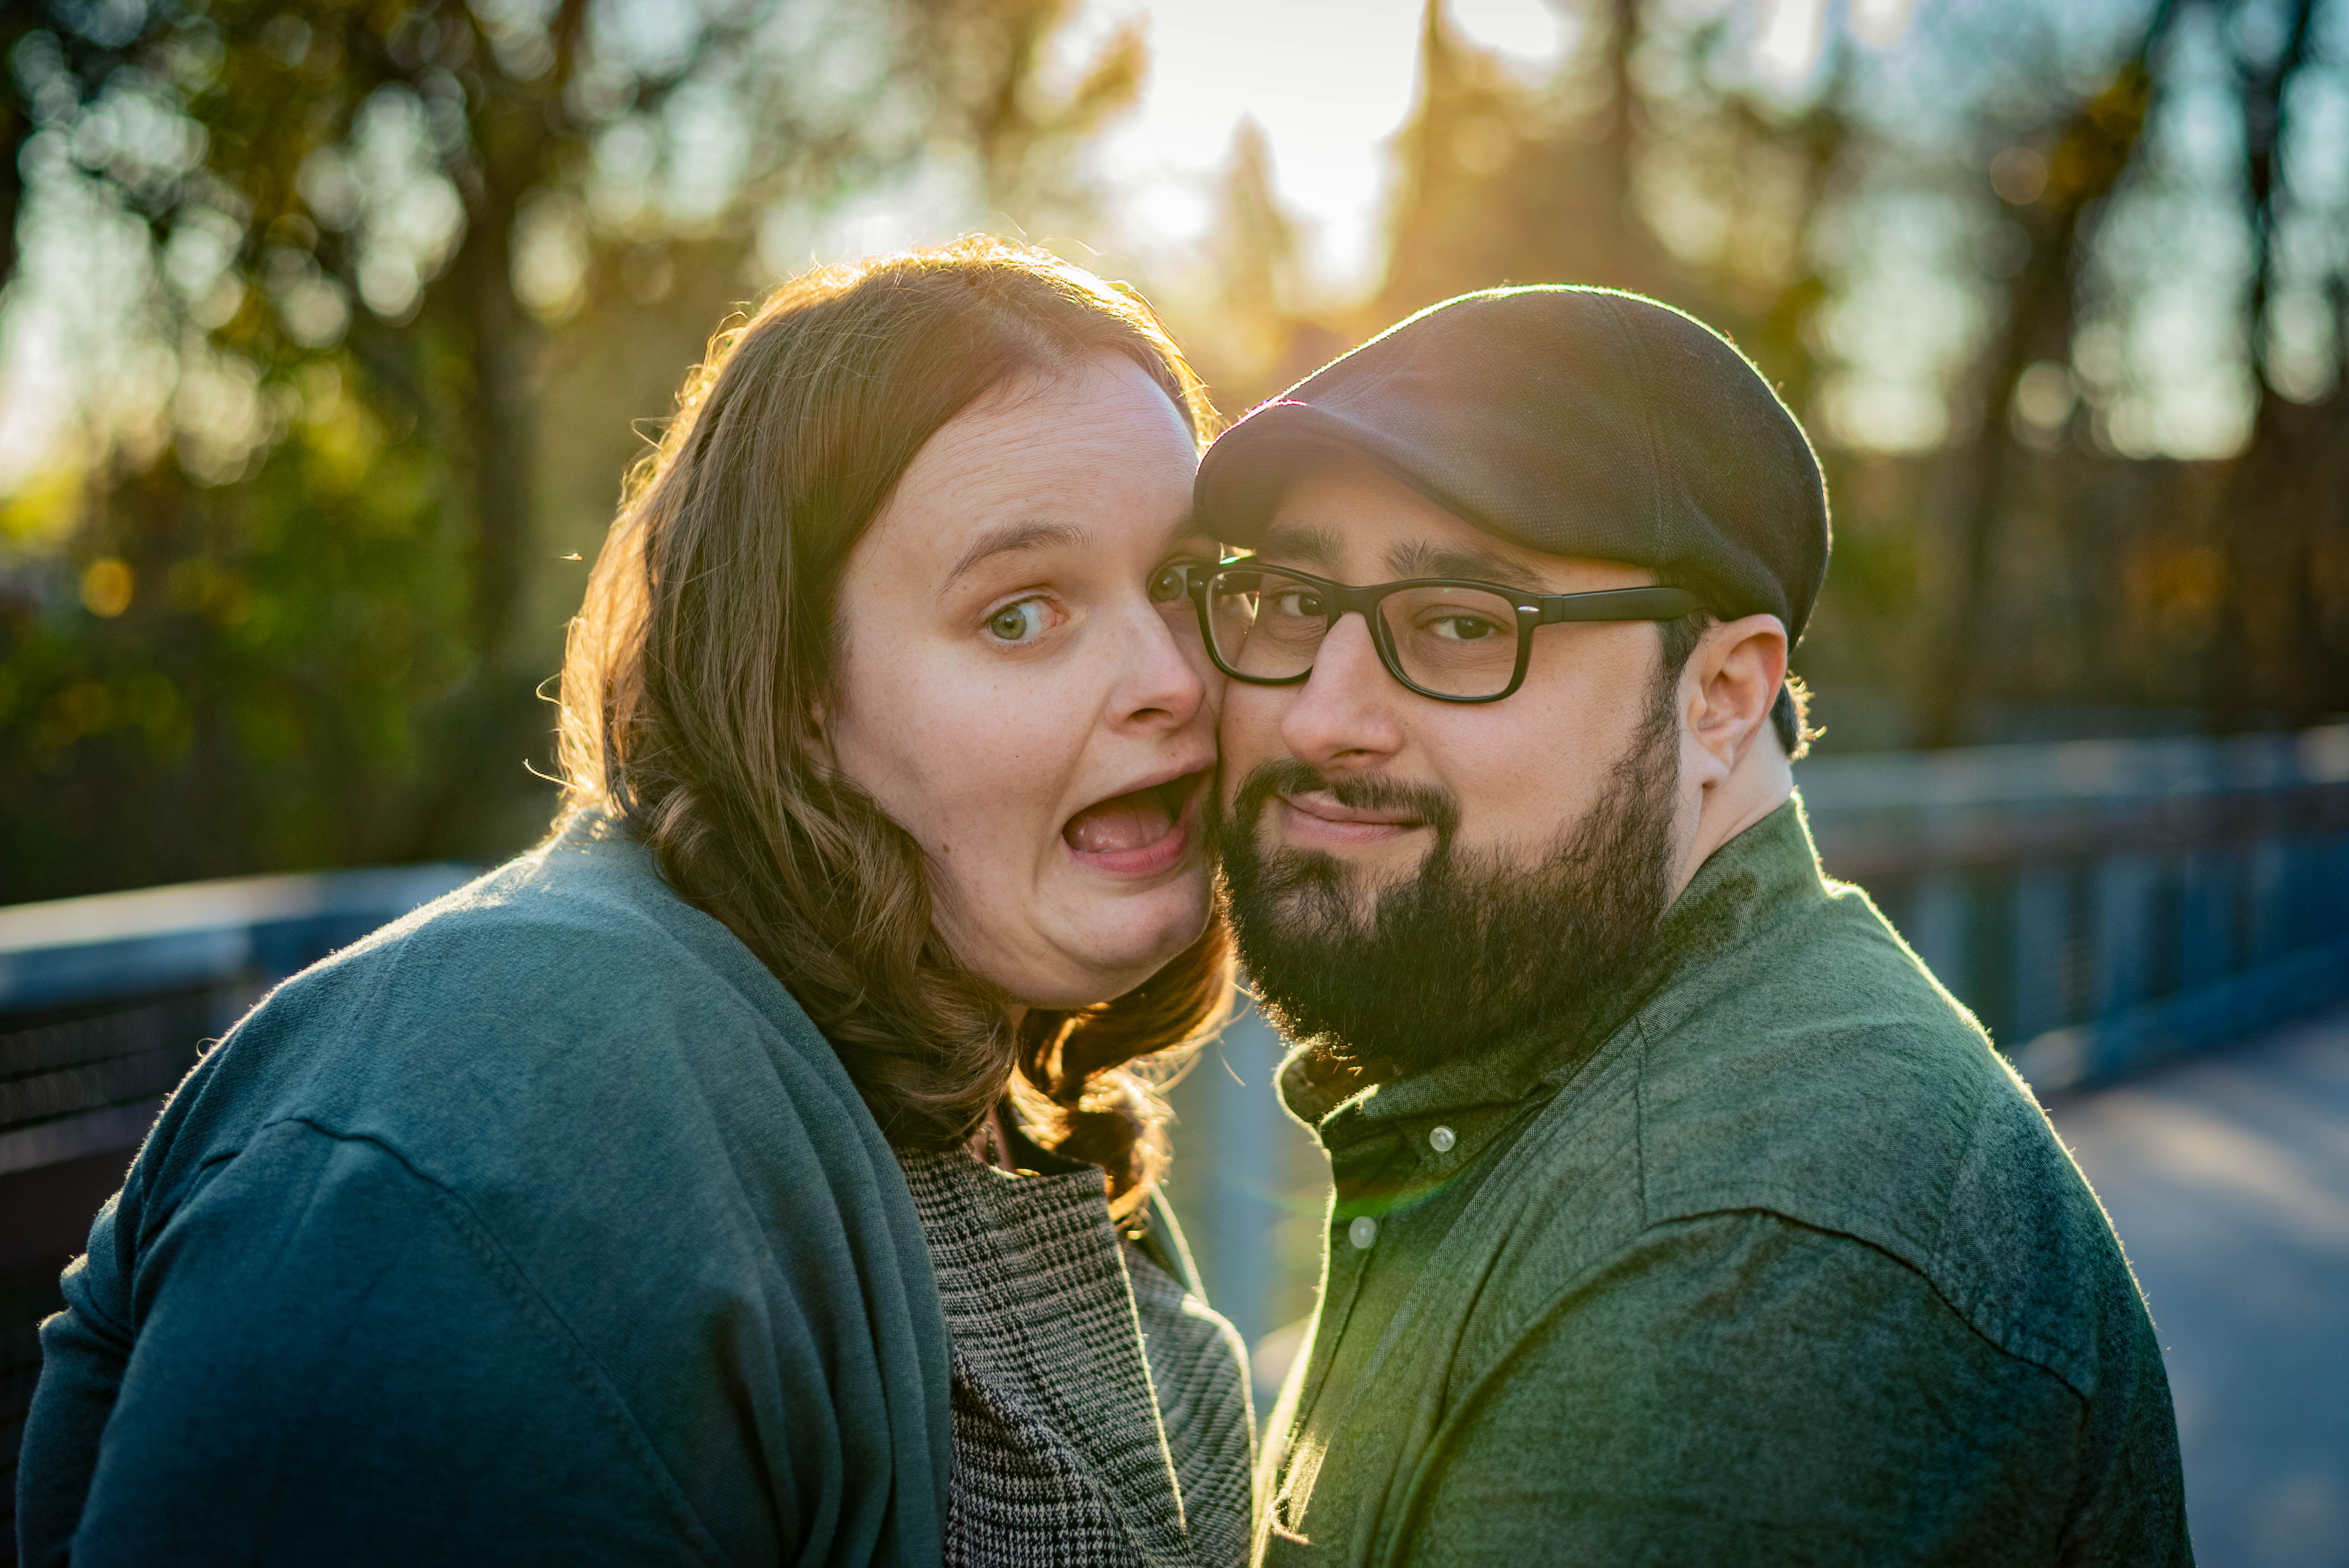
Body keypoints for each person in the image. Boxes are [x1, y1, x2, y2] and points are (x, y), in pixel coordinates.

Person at [18, 238, 1254, 1568]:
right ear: (791, 693)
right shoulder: (510, 1101)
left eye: (1188, 586)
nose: (1173, 680)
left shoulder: (1005, 1090)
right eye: (1019, 615)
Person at [1181, 286, 2191, 1566]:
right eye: (1287, 601)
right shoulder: (1553, 1054)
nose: (1321, 716)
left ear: (1719, 696)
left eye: (1460, 625)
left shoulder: (1743, 1270)